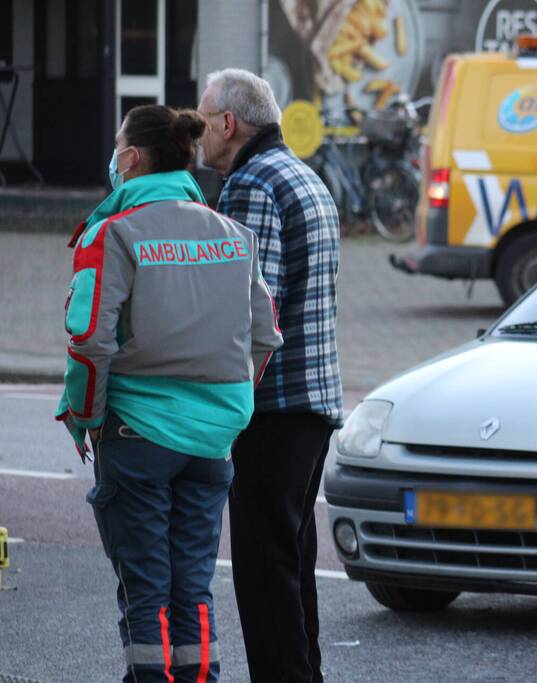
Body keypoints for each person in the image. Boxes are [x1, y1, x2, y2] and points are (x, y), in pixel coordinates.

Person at [55, 104, 284, 683]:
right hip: (212, 443)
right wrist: (230, 409)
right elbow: (265, 334)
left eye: (116, 146)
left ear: (131, 158)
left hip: (137, 435)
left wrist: (84, 416)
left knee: (147, 589)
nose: (113, 156)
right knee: (193, 587)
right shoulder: (232, 234)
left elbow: (88, 340)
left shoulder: (114, 233)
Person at [198, 68, 343, 683]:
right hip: (314, 402)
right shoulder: (305, 175)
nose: (197, 134)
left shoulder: (251, 183)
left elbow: (254, 307)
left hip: (273, 407)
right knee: (291, 562)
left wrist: (220, 402)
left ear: (229, 124)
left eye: (203, 121)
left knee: (262, 572)